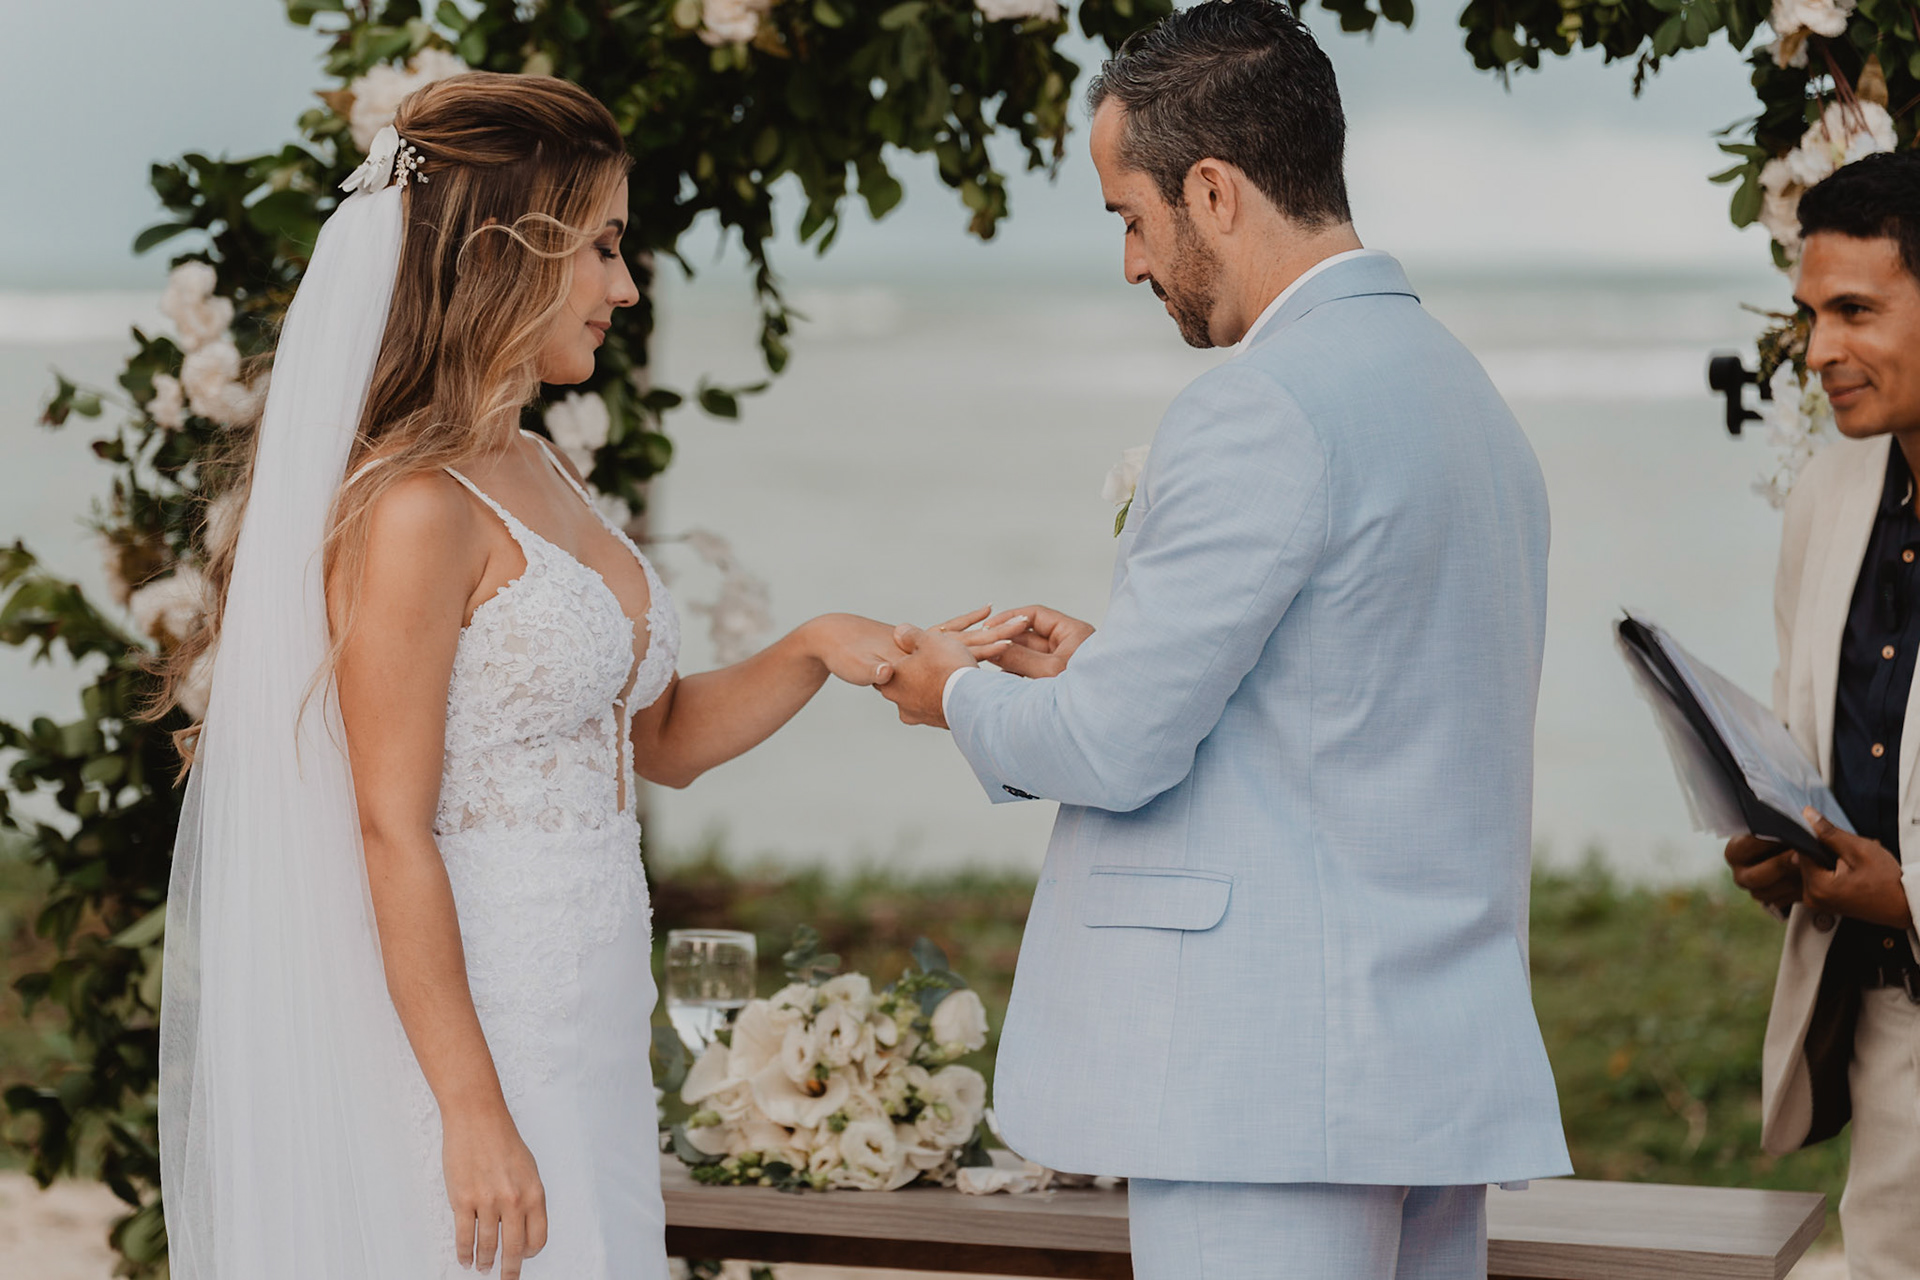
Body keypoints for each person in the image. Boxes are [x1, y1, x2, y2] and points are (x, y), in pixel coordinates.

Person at [154, 73, 1012, 1280]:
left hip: (593, 1018)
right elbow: (389, 828)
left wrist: (820, 644)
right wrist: (470, 1107)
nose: (626, 284)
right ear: (507, 255)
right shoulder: (412, 507)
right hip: (478, 1031)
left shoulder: (539, 464)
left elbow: (650, 735)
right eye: (603, 246)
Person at [876, 3, 1570, 1276]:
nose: (1133, 265)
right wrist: (1108, 655)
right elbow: (1355, 697)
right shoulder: (1464, 395)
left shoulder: (1256, 405)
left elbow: (1116, 746)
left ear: (1213, 189)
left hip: (1265, 1082)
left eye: (1129, 218)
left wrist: (953, 694)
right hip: (1425, 1067)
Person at [1723, 149, 1920, 1280]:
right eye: (1811, 314)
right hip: (1887, 1030)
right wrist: (1788, 841)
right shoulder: (1828, 495)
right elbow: (1819, 743)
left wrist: (1907, 889)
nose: (1821, 350)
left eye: (1855, 310)